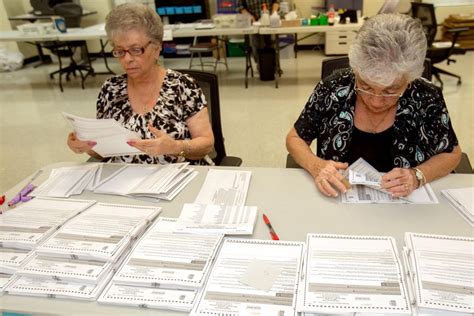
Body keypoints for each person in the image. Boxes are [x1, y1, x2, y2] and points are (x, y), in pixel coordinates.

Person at [286, 13, 461, 198]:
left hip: (404, 210)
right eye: (366, 86)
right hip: (337, 200)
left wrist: (417, 175)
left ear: (409, 79)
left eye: (390, 91)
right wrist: (316, 166)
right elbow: (295, 138)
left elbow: (452, 154)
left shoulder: (426, 97)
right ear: (356, 70)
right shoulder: (333, 88)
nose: (376, 101)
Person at [67, 3, 214, 165]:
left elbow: (206, 144)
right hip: (126, 182)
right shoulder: (110, 89)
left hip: (180, 177)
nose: (127, 59)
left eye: (136, 50)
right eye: (120, 51)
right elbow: (104, 153)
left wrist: (175, 147)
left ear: (157, 48)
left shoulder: (183, 86)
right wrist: (86, 146)